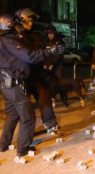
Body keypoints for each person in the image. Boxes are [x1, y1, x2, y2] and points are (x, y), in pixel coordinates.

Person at [0, 13, 64, 157]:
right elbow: (28, 56)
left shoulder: (2, 41)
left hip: (5, 84)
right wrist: (49, 52)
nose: (19, 27)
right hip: (14, 84)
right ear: (9, 26)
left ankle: (3, 145)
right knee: (28, 118)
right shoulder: (9, 40)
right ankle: (23, 149)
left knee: (11, 114)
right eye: (17, 25)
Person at [14, 8, 63, 135]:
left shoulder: (36, 36)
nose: (30, 23)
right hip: (23, 77)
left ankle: (51, 125)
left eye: (31, 21)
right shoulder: (13, 39)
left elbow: (42, 54)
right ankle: (24, 133)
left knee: (45, 101)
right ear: (19, 22)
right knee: (24, 107)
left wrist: (46, 67)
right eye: (27, 21)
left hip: (38, 75)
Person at [44, 25, 68, 106]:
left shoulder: (59, 42)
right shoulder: (46, 42)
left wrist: (52, 64)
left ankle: (64, 100)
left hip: (57, 67)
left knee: (61, 83)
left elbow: (59, 55)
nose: (50, 35)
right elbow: (44, 54)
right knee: (49, 84)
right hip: (49, 67)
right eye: (48, 34)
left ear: (54, 33)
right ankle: (52, 99)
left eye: (51, 33)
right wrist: (45, 64)